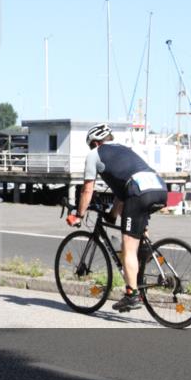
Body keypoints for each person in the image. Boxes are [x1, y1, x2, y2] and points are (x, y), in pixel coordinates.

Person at [70, 123, 168, 311]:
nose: (91, 149)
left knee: (127, 247)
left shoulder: (94, 155)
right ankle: (146, 256)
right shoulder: (123, 150)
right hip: (159, 187)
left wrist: (79, 214)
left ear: (96, 143)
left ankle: (132, 295)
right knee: (138, 233)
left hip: (138, 192)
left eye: (91, 145)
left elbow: (87, 189)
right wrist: (112, 215)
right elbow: (122, 195)